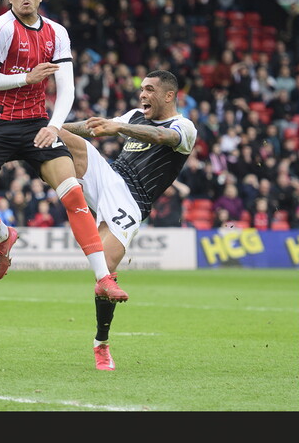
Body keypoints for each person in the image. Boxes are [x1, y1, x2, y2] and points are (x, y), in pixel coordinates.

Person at [0, 0, 126, 303]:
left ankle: (104, 278)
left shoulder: (57, 33)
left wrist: (54, 126)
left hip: (37, 124)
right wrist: (26, 78)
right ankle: (3, 236)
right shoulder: (0, 29)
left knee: (72, 193)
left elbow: (66, 88)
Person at [54, 69, 197, 371]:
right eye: (142, 89)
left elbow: (161, 136)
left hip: (133, 201)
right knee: (56, 134)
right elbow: (92, 127)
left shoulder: (183, 126)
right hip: (109, 175)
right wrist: (51, 125)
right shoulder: (133, 115)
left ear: (169, 95)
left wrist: (118, 128)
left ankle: (101, 344)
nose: (142, 94)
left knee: (104, 271)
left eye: (149, 89)